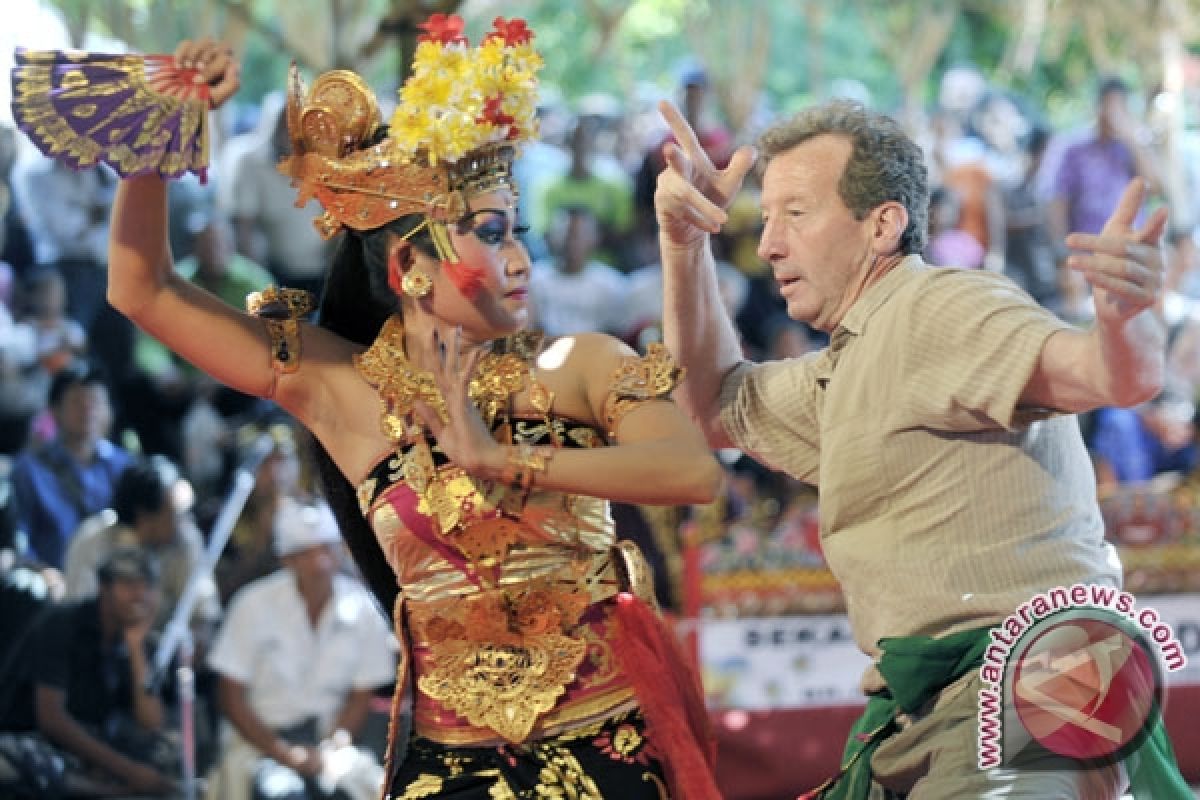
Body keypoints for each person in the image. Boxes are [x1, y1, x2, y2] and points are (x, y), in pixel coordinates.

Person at [102, 18, 722, 800]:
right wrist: (162, 118)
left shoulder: (581, 365)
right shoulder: (342, 388)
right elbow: (140, 288)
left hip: (609, 749)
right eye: (492, 234)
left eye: (518, 231)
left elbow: (693, 471)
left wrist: (503, 459)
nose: (521, 258)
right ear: (409, 265)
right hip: (450, 766)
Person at [653, 97, 1191, 797]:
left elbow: (1109, 375)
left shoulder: (940, 307)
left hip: (1030, 677)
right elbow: (709, 408)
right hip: (945, 704)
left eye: (796, 214)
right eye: (766, 217)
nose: (767, 245)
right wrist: (684, 243)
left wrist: (1126, 319)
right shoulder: (840, 370)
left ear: (882, 225)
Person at [206, 500, 394, 800]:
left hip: (327, 743)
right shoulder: (253, 604)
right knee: (279, 793)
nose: (320, 563)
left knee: (369, 788)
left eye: (326, 550)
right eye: (307, 553)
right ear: (288, 560)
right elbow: (231, 696)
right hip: (261, 742)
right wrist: (281, 752)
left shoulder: (361, 608)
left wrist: (334, 745)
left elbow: (362, 694)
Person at [27, 546, 181, 797]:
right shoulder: (63, 624)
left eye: (147, 586)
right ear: (104, 588)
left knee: (166, 756)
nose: (140, 595)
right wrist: (128, 771)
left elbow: (151, 723)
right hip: (42, 746)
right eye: (129, 585)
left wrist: (135, 647)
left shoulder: (144, 641)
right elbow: (51, 719)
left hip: (100, 749)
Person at [10, 359, 132, 569]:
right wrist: (42, 574)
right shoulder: (28, 470)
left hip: (114, 588)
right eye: (77, 402)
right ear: (55, 411)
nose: (88, 411)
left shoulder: (124, 466)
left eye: (95, 402)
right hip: (54, 585)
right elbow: (18, 539)